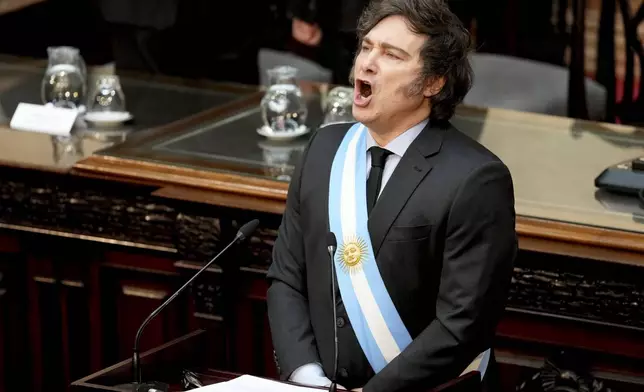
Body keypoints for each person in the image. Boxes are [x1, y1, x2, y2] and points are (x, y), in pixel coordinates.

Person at [267, 0, 517, 391]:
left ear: (433, 82)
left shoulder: (476, 179)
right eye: (366, 47)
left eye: (391, 54)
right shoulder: (323, 149)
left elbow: (461, 324)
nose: (366, 63)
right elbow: (286, 278)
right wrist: (307, 377)